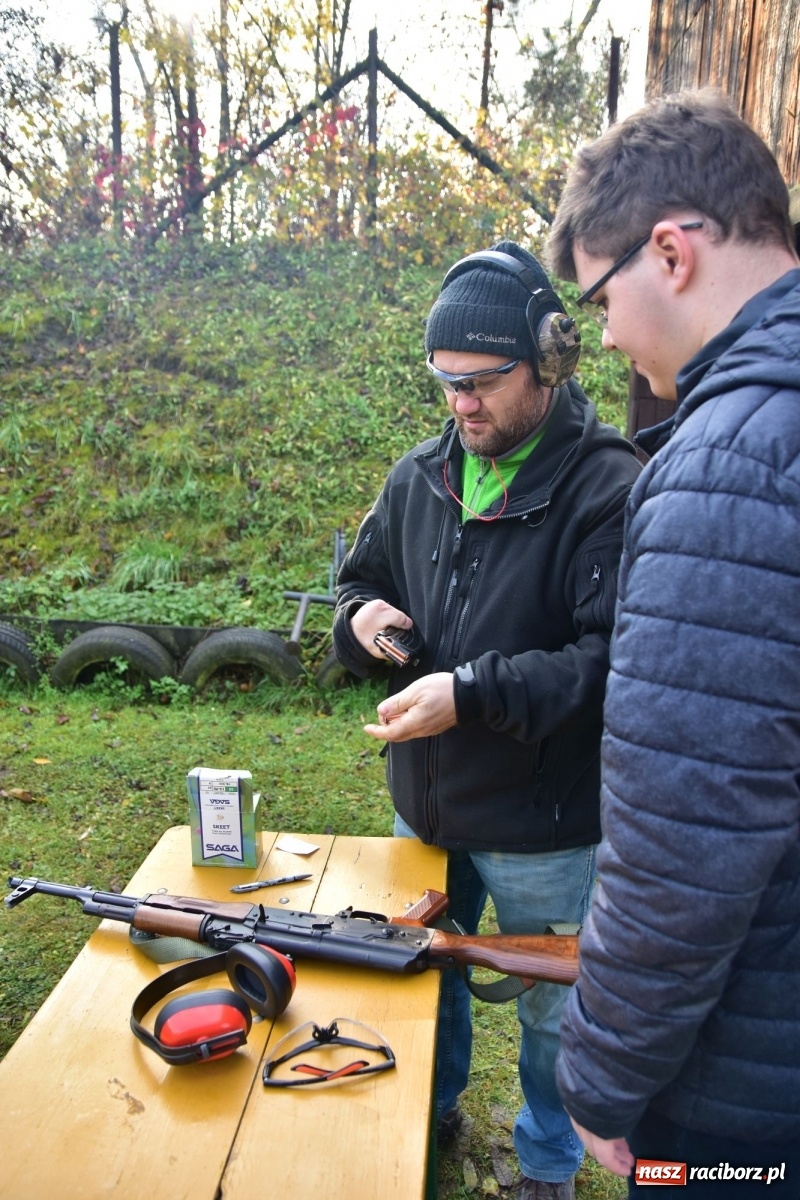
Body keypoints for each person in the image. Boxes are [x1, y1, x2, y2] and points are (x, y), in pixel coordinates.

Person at [332, 239, 640, 1199]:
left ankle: (548, 1163)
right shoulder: (418, 474)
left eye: (480, 383)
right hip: (424, 812)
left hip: (546, 825)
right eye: (445, 384)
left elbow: (607, 663)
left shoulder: (609, 486)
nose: (460, 405)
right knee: (425, 977)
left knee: (557, 1016)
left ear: (550, 361)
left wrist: (469, 691)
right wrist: (360, 621)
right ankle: (428, 1110)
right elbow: (359, 581)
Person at [545, 89, 800, 1195]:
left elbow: (685, 838)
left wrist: (603, 1072)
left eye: (598, 295)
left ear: (669, 250)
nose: (599, 331)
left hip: (747, 1089)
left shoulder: (722, 464)